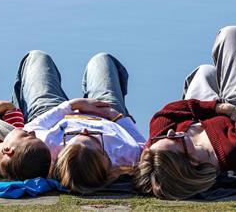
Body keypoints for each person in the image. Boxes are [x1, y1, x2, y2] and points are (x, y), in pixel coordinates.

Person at [133, 25, 236, 200]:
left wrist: (222, 108)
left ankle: (219, 95)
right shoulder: (234, 150)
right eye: (175, 139)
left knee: (204, 72)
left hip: (217, 111)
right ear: (192, 162)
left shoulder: (159, 150)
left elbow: (165, 113)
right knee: (233, 35)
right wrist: (234, 108)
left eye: (158, 140)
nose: (170, 132)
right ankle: (224, 88)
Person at [12, 50, 146, 194]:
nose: (84, 130)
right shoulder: (125, 155)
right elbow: (144, 146)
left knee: (37, 58)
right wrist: (119, 118)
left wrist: (73, 105)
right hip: (107, 114)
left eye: (73, 137)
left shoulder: (49, 149)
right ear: (106, 158)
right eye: (94, 138)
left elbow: (28, 129)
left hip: (54, 115)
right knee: (102, 60)